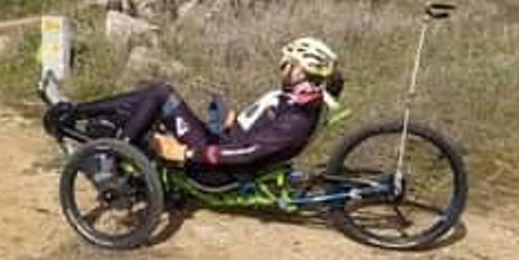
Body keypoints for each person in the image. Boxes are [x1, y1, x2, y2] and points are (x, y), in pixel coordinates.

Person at [72, 37, 343, 173]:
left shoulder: (298, 117)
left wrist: (186, 154)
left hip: (214, 165)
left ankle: (113, 155)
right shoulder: (300, 99)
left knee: (160, 93)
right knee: (150, 102)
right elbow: (262, 126)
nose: (281, 66)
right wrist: (235, 123)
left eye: (288, 64)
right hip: (221, 140)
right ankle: (82, 114)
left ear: (302, 72)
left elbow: (249, 151)